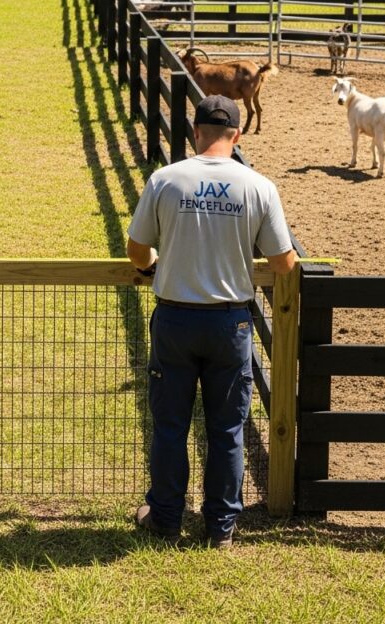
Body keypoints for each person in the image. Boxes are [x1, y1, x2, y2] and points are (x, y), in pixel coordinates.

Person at [127, 94, 296, 548]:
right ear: (236, 135)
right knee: (226, 429)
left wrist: (151, 267)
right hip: (230, 324)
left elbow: (137, 249)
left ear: (196, 132)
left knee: (169, 424)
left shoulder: (166, 179)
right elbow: (284, 263)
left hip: (176, 319)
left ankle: (164, 515)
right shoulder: (258, 186)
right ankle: (220, 526)